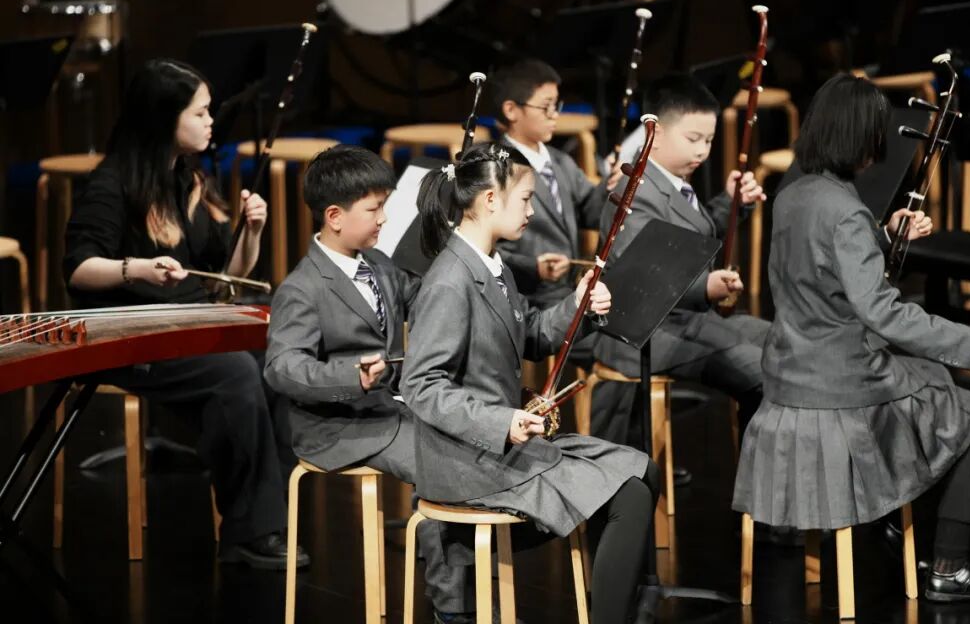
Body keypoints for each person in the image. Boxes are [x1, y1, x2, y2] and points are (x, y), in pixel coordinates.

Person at [732, 74, 970, 602]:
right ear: (859, 138)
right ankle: (949, 566)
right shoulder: (845, 210)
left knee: (950, 391)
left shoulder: (793, 194)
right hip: (842, 380)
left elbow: (819, 268)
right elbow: (882, 312)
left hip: (791, 367)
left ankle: (895, 521)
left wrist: (883, 235)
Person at [401, 143, 659, 624]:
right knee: (630, 494)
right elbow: (421, 386)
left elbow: (531, 336)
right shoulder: (449, 281)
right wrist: (501, 421)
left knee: (643, 471)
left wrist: (577, 305)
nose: (532, 212)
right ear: (490, 200)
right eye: (525, 199)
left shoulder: (491, 265)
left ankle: (629, 606)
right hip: (469, 458)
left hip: (500, 447)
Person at [64, 58, 303, 570]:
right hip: (128, 334)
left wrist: (252, 231)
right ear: (163, 118)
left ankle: (276, 514)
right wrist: (138, 269)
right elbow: (79, 269)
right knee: (234, 373)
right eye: (199, 112)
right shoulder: (112, 183)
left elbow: (226, 275)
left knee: (276, 356)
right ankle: (249, 532)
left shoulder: (187, 178)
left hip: (186, 321)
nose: (210, 121)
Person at [264, 145, 468, 618]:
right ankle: (454, 609)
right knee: (441, 461)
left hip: (385, 411)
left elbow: (424, 299)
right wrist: (348, 376)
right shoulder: (302, 288)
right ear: (334, 217)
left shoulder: (378, 264)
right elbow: (282, 366)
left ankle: (463, 587)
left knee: (465, 440)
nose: (384, 219)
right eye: (374, 209)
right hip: (337, 426)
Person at [591, 74, 771, 445]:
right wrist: (706, 287)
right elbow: (647, 276)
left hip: (686, 321)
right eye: (693, 139)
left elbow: (687, 239)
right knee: (763, 372)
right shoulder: (635, 192)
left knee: (784, 345)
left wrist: (732, 203)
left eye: (709, 140)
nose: (702, 151)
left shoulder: (670, 181)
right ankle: (760, 478)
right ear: (654, 134)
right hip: (646, 335)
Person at [489, 59, 616, 313]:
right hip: (527, 297)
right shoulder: (496, 167)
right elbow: (487, 244)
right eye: (546, 107)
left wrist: (611, 185)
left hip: (569, 289)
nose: (554, 114)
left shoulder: (560, 161)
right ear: (511, 110)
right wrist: (533, 268)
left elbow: (591, 213)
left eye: (557, 105)